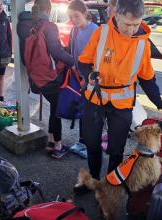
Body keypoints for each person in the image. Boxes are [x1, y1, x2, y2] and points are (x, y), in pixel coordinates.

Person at [74, 0, 162, 194]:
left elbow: (147, 77)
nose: (131, 30)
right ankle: (93, 179)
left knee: (116, 149)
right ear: (117, 15)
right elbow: (83, 62)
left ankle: (110, 185)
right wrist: (88, 74)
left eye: (136, 25)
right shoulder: (101, 33)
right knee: (92, 143)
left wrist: (160, 102)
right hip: (95, 98)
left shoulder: (143, 43)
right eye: (126, 24)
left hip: (122, 103)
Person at [18, 0, 74, 159]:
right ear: (48, 9)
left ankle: (50, 141)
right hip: (49, 77)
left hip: (35, 77)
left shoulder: (28, 26)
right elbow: (56, 52)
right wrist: (73, 62)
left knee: (54, 107)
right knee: (57, 109)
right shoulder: (49, 26)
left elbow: (24, 57)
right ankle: (57, 146)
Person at [66, 0, 98, 159]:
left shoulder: (95, 31)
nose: (73, 20)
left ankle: (90, 146)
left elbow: (98, 59)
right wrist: (73, 69)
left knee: (91, 114)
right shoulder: (75, 29)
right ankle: (81, 141)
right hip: (78, 77)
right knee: (83, 111)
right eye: (71, 17)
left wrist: (89, 78)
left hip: (92, 79)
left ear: (85, 14)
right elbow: (73, 51)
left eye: (76, 16)